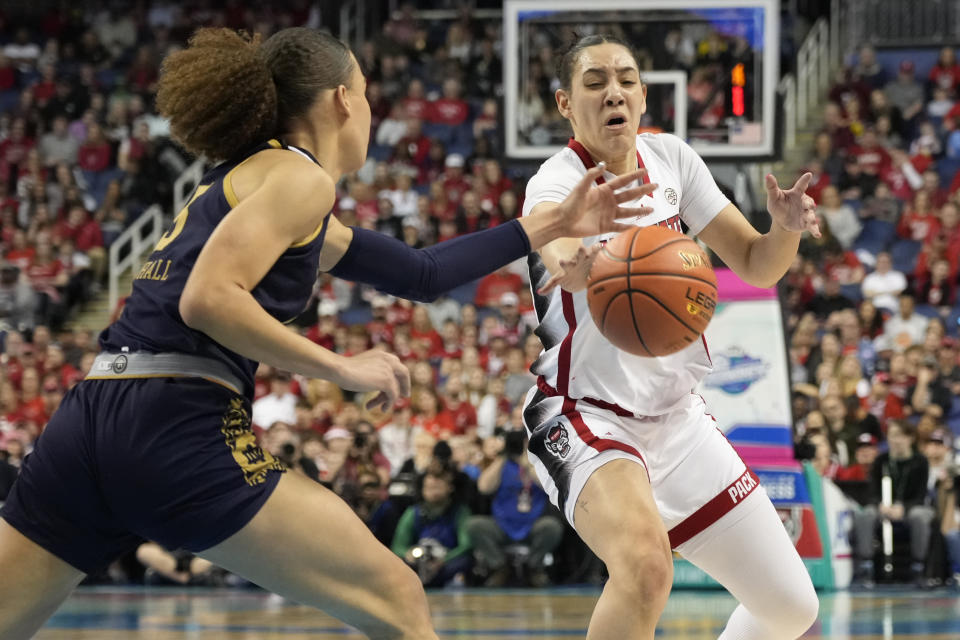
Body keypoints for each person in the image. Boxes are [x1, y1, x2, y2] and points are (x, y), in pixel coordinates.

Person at [0, 28, 651, 640]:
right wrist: (340, 368)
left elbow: (422, 274)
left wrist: (544, 226)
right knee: (397, 596)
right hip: (172, 424)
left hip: (89, 419)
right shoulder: (300, 180)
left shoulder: (263, 180)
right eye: (366, 93)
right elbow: (207, 299)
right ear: (343, 99)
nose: (369, 109)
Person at [520, 35, 820, 640]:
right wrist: (575, 264)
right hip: (586, 417)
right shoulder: (553, 185)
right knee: (646, 571)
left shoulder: (673, 161)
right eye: (596, 81)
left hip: (677, 418)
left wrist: (783, 229)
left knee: (791, 608)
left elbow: (759, 266)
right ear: (564, 104)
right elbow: (557, 250)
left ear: (643, 94)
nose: (615, 92)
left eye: (627, 79)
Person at [467, 428, 564, 587]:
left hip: (533, 525)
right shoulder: (501, 465)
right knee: (474, 526)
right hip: (502, 526)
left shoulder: (539, 464)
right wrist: (502, 457)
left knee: (552, 527)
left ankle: (534, 567)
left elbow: (549, 486)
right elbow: (484, 487)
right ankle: (499, 567)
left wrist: (528, 464)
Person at [851, 420, 933, 586]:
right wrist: (880, 504)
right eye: (892, 435)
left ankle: (919, 566)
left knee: (919, 516)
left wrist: (903, 508)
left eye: (900, 436)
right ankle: (866, 566)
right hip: (884, 506)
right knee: (865, 514)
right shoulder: (881, 460)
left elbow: (920, 495)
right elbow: (872, 491)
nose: (896, 440)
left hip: (911, 507)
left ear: (910, 438)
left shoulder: (920, 461)